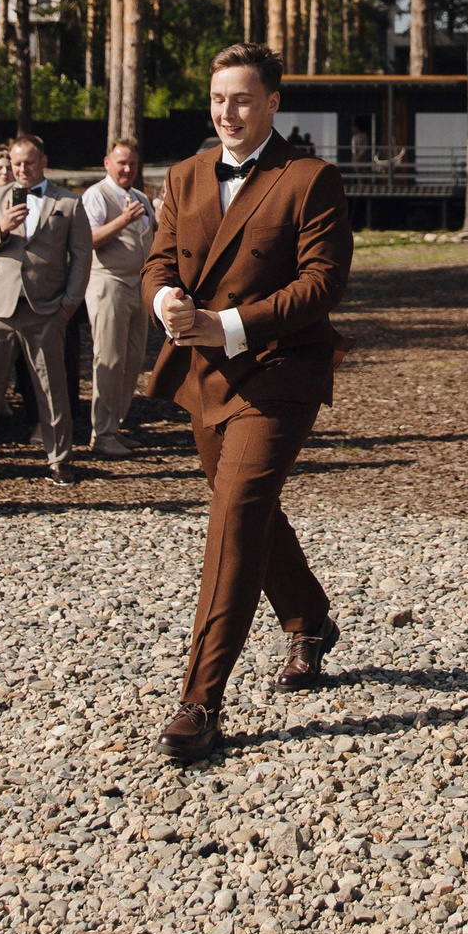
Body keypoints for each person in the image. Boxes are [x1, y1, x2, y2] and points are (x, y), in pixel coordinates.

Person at [143, 42, 353, 762]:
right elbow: (160, 261)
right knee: (249, 510)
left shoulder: (310, 178)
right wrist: (166, 298)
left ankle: (200, 702)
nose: (226, 112)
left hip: (280, 370)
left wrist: (225, 324)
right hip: (205, 376)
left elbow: (321, 284)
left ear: (271, 104)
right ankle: (309, 616)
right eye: (217, 98)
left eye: (240, 98)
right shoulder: (184, 174)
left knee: (233, 515)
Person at [0, 134, 92, 480]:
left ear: (43, 162)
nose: (21, 169)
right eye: (15, 163)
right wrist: (2, 229)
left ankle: (58, 458)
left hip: (45, 306)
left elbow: (82, 256)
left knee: (53, 386)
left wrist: (69, 304)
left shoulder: (68, 203)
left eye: (28, 162)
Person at [81, 138, 154, 458]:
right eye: (121, 163)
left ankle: (115, 426)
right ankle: (102, 431)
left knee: (132, 360)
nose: (127, 169)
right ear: (107, 162)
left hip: (138, 286)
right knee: (108, 360)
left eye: (132, 164)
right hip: (108, 283)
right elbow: (87, 240)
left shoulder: (140, 197)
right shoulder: (96, 195)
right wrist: (122, 220)